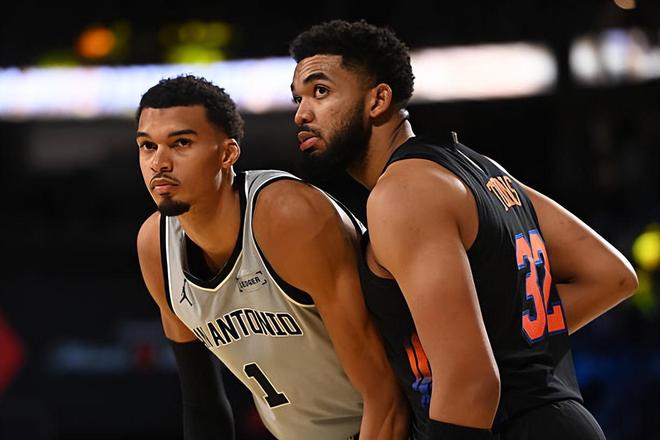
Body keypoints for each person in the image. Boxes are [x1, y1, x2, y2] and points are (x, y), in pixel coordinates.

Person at [289, 20, 639, 440]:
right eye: (298, 98)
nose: (301, 113)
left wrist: (477, 359)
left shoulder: (403, 193)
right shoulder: (480, 168)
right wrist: (502, 345)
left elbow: (470, 384)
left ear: (378, 99)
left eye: (320, 91)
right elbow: (610, 275)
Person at [135, 74, 408, 440]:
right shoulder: (155, 245)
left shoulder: (287, 217)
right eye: (147, 146)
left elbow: (386, 397)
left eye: (181, 143)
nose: (159, 163)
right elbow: (202, 404)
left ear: (227, 154)